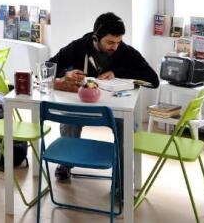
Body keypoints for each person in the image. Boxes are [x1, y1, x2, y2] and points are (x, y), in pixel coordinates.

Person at [48, 12, 159, 182]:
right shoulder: (79, 47)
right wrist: (65, 73)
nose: (115, 47)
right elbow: (48, 66)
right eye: (110, 42)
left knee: (126, 126)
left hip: (115, 111)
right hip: (82, 105)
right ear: (96, 38)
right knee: (69, 120)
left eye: (118, 42)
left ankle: (121, 177)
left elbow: (153, 80)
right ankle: (65, 164)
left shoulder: (125, 51)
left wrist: (117, 72)